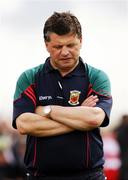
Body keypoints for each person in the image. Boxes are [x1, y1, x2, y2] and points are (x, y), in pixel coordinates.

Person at [12, 11, 113, 180]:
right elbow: (24, 124)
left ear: (81, 41)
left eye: (71, 45)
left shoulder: (96, 77)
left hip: (89, 176)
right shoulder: (30, 78)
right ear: (46, 45)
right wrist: (80, 115)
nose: (65, 52)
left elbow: (94, 119)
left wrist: (47, 110)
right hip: (40, 176)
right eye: (58, 47)